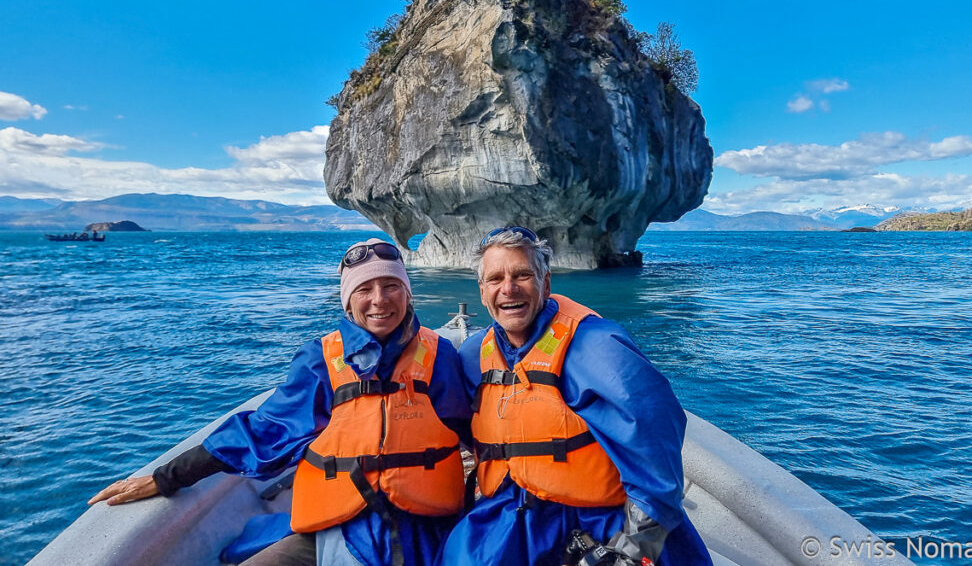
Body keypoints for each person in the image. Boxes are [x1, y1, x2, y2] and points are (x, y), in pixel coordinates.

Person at [89, 238, 471, 566]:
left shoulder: (440, 358)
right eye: (364, 289)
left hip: (424, 523)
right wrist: (166, 477)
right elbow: (264, 433)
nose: (379, 301)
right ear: (347, 301)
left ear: (408, 293)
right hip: (338, 525)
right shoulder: (320, 360)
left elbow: (474, 427)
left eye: (391, 286)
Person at [440, 227, 712, 566]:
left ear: (546, 283)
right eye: (495, 278)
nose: (508, 288)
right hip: (517, 510)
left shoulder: (596, 346)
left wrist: (636, 543)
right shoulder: (472, 354)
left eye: (522, 275)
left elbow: (657, 436)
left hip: (597, 516)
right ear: (482, 291)